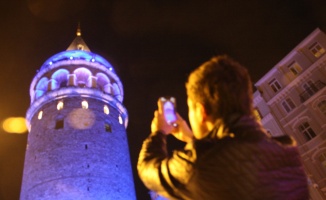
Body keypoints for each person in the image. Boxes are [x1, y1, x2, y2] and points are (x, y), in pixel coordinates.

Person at [137, 55, 309, 200]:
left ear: (202, 111)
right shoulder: (288, 152)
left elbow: (149, 169)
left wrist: (159, 132)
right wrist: (192, 139)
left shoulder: (199, 164)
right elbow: (230, 158)